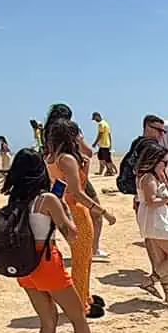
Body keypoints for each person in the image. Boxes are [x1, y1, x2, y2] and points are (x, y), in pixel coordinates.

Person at [0, 149, 118, 333]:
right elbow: (71, 233)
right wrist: (62, 207)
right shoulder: (47, 199)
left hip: (25, 267)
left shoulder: (16, 201)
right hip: (47, 263)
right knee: (78, 317)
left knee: (47, 321)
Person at [43, 117, 115, 318]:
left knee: (82, 257)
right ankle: (81, 304)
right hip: (76, 211)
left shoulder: (51, 158)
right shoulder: (67, 159)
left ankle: (85, 295)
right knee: (82, 259)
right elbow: (77, 191)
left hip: (65, 210)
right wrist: (102, 211)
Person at [133, 144, 168, 305]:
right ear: (155, 161)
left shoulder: (154, 177)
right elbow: (151, 201)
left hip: (155, 220)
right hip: (156, 222)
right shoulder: (148, 178)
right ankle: (150, 281)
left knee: (162, 260)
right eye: (164, 162)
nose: (165, 165)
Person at [92, 112, 115, 176]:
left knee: (106, 159)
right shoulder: (106, 123)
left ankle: (110, 171)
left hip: (104, 144)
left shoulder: (101, 124)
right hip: (105, 144)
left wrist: (95, 143)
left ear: (98, 116)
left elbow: (100, 134)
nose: (95, 120)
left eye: (95, 118)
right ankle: (102, 171)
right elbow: (109, 135)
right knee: (101, 158)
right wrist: (110, 143)